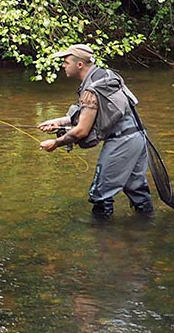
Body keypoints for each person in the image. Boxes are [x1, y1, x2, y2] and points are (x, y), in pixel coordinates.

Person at [36, 44, 154, 219]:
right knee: (136, 189)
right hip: (137, 136)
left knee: (100, 194)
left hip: (121, 142)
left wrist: (55, 143)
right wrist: (57, 122)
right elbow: (89, 116)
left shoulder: (91, 90)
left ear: (80, 65)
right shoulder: (105, 76)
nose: (63, 65)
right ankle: (146, 229)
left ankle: (101, 237)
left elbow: (82, 131)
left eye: (66, 62)